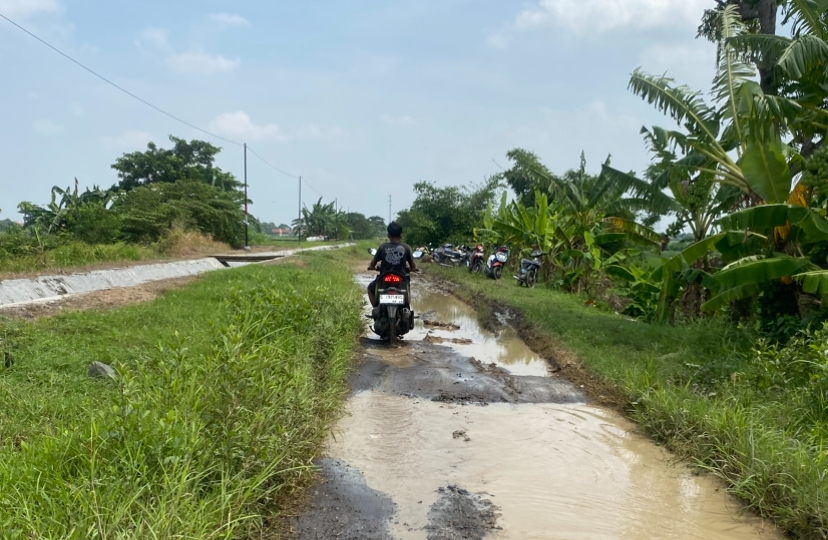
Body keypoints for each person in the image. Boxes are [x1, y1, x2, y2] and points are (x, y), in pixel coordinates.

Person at [367, 221, 417, 310]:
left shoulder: (383, 247)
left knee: (370, 288)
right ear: (401, 235)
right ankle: (406, 309)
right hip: (401, 278)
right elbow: (413, 266)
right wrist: (412, 269)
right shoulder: (406, 247)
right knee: (407, 289)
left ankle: (376, 308)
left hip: (384, 278)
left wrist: (372, 267)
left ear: (388, 235)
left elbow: (372, 264)